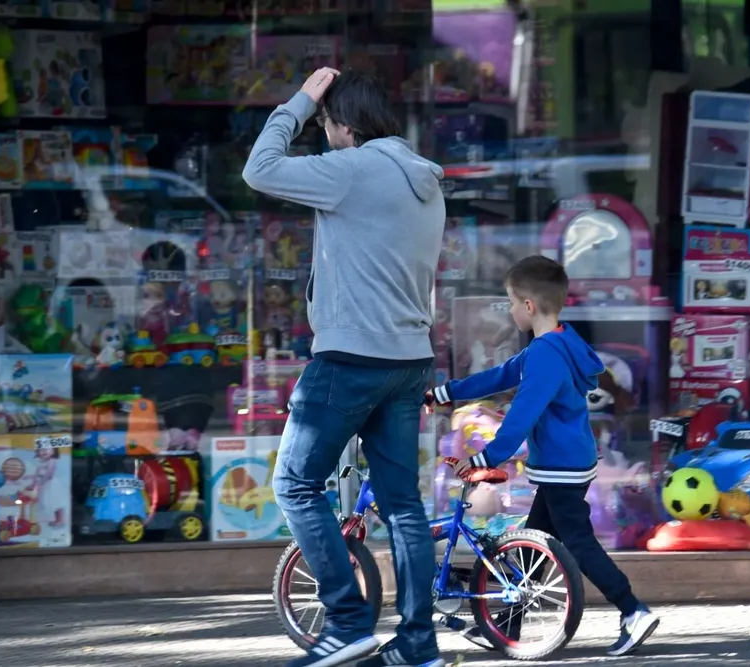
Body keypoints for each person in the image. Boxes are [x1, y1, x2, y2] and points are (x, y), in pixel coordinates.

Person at [243, 68, 446, 667]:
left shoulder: (353, 169)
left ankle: (348, 620)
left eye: (328, 125)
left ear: (346, 127)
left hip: (351, 356)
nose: (325, 135)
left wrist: (301, 101)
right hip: (409, 359)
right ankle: (416, 645)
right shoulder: (423, 179)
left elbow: (259, 167)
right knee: (403, 505)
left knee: (294, 483)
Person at [426, 255, 660, 656]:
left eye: (512, 302)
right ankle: (505, 625)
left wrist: (486, 459)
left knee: (577, 543)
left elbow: (521, 414)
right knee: (532, 544)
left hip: (560, 466)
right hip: (568, 461)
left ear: (529, 306)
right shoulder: (560, 343)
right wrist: (446, 393)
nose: (511, 309)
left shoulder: (545, 355)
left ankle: (632, 610)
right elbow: (500, 375)